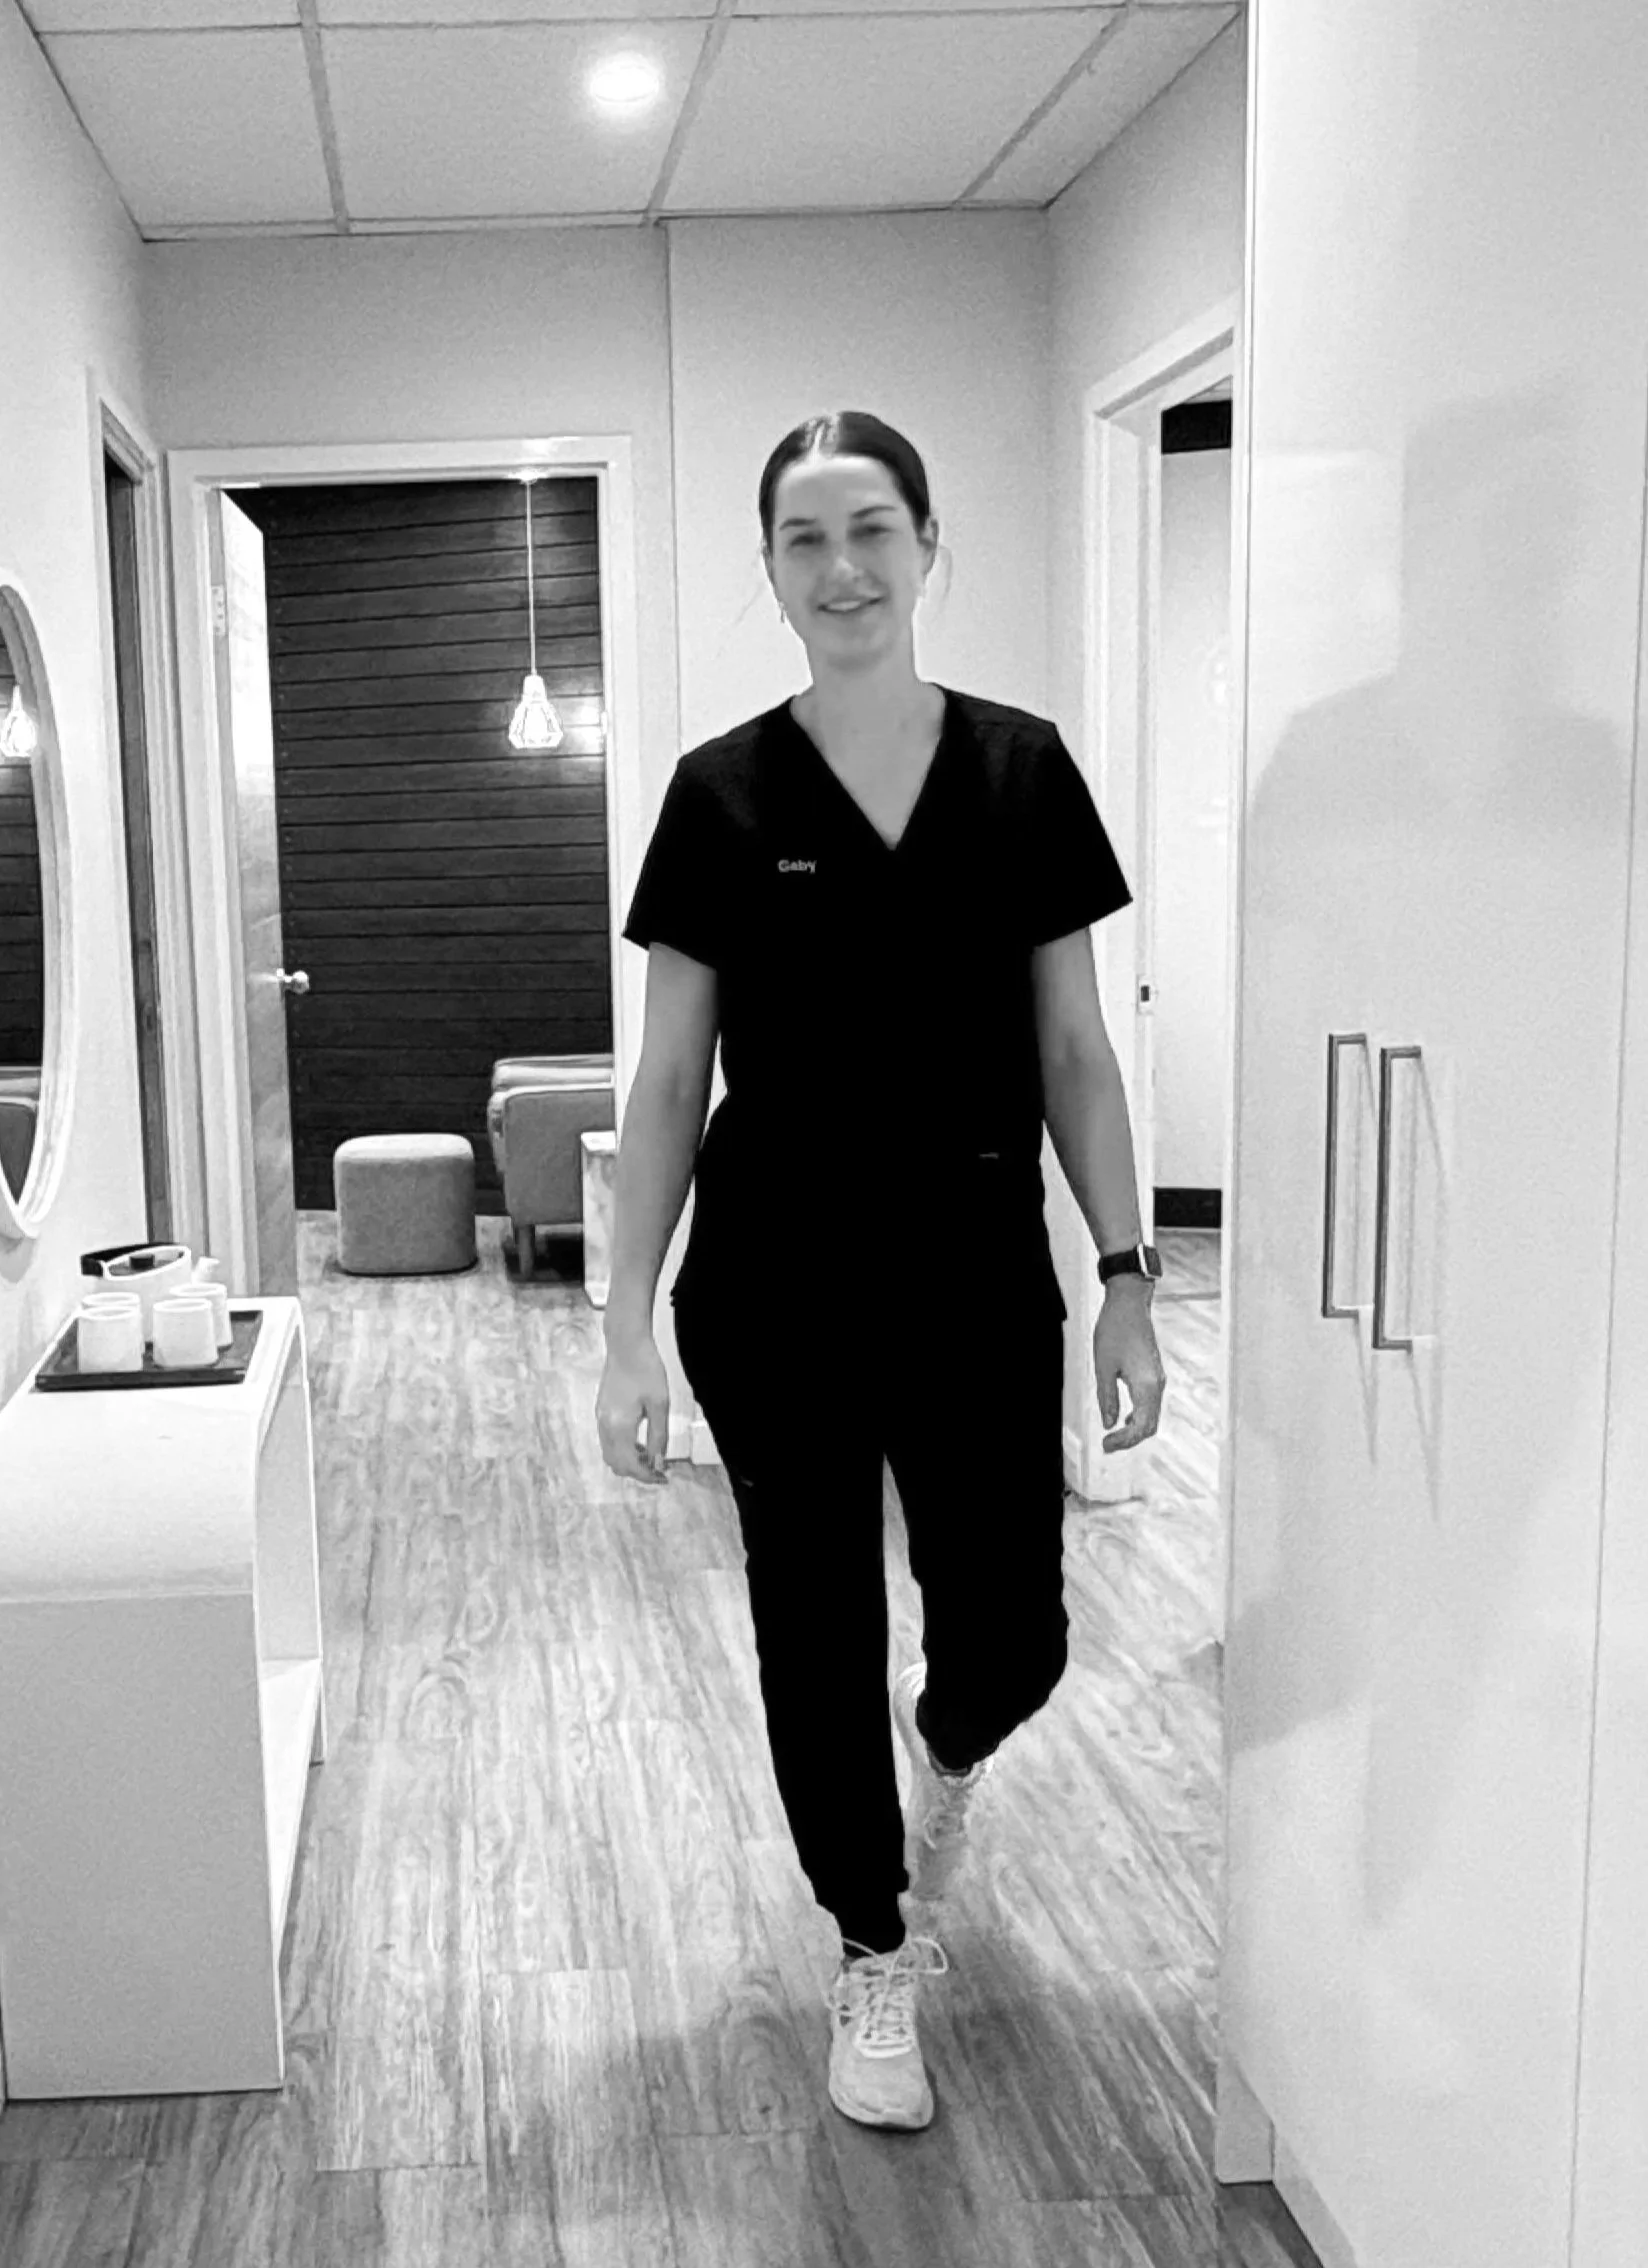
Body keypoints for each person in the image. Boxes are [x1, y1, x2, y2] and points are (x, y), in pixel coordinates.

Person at [595, 411, 1166, 2132]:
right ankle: (870, 1943)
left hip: (979, 1275)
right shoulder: (721, 797)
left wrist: (1129, 1272)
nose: (842, 569)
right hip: (775, 1286)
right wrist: (623, 1329)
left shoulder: (1021, 771)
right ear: (771, 574)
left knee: (1016, 1631)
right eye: (805, 539)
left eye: (870, 531)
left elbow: (1075, 1049)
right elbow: (667, 1081)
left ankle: (955, 1741)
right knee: (815, 1627)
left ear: (927, 547)